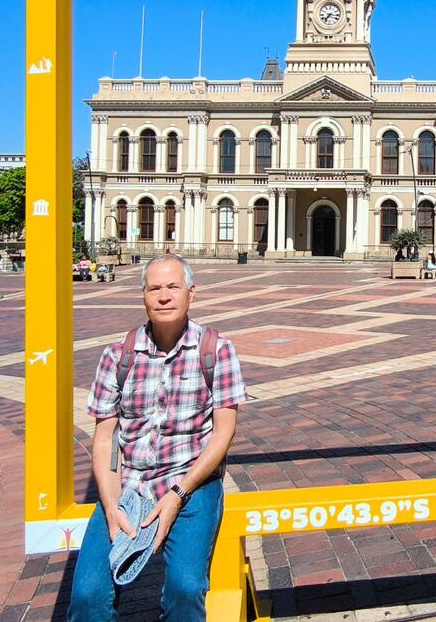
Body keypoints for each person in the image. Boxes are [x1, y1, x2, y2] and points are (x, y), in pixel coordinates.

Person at [69, 254, 247, 621]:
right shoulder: (118, 355)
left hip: (191, 484)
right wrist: (110, 501)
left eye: (172, 287)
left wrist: (179, 493)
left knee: (185, 588)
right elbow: (104, 439)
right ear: (144, 297)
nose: (163, 296)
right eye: (154, 288)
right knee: (88, 595)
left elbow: (223, 432)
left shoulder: (215, 350)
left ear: (191, 294)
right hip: (130, 484)